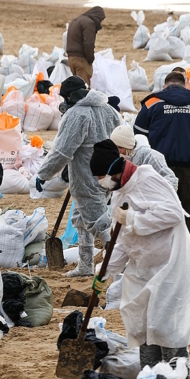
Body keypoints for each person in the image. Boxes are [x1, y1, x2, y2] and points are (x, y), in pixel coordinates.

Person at [89, 139, 190, 371]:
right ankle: (150, 376)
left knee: (164, 324)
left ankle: (178, 378)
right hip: (143, 266)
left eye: (101, 176)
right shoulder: (119, 194)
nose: (101, 182)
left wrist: (133, 220)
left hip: (169, 261)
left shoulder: (147, 180)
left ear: (113, 170)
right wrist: (104, 272)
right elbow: (121, 242)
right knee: (142, 323)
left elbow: (173, 214)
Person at [36, 76, 121, 277]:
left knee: (97, 220)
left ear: (70, 96)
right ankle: (85, 266)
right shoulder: (108, 109)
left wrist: (44, 174)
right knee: (82, 218)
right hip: (110, 172)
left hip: (87, 175)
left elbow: (62, 151)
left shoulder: (76, 115)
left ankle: (120, 258)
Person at [133, 71, 190, 265]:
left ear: (164, 85)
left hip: (158, 167)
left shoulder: (151, 104)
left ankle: (160, 255)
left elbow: (138, 138)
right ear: (186, 85)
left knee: (157, 208)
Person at [109, 124, 178, 190]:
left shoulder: (150, 156)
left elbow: (171, 180)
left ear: (128, 146)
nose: (117, 151)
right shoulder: (120, 158)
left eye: (120, 147)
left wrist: (153, 194)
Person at [66, 6, 105, 85]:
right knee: (84, 88)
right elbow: (89, 44)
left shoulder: (76, 20)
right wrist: (90, 59)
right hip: (81, 59)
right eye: (101, 19)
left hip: (71, 58)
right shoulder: (89, 23)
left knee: (76, 87)